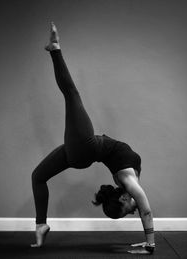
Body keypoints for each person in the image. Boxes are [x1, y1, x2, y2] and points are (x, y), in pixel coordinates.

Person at [31, 22, 155, 254]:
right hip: (81, 152)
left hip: (85, 148)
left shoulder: (129, 183)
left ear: (122, 198)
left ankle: (55, 49)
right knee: (38, 176)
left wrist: (149, 246)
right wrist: (149, 244)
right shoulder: (129, 183)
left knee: (72, 95)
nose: (134, 210)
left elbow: (146, 211)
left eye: (128, 210)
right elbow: (146, 211)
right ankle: (41, 224)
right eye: (130, 211)